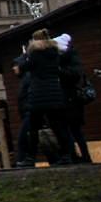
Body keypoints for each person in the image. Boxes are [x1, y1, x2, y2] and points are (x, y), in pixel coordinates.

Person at [16, 29, 73, 167]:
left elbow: (22, 68)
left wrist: (24, 57)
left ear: (35, 41)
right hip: (55, 94)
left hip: (39, 96)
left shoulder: (35, 54)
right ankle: (66, 155)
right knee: (58, 127)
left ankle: (30, 158)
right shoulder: (55, 54)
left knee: (34, 128)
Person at [57, 34, 93, 164]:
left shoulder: (68, 61)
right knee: (73, 131)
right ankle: (78, 156)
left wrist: (59, 71)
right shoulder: (71, 58)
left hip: (71, 100)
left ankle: (82, 156)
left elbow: (73, 76)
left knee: (74, 131)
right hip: (70, 100)